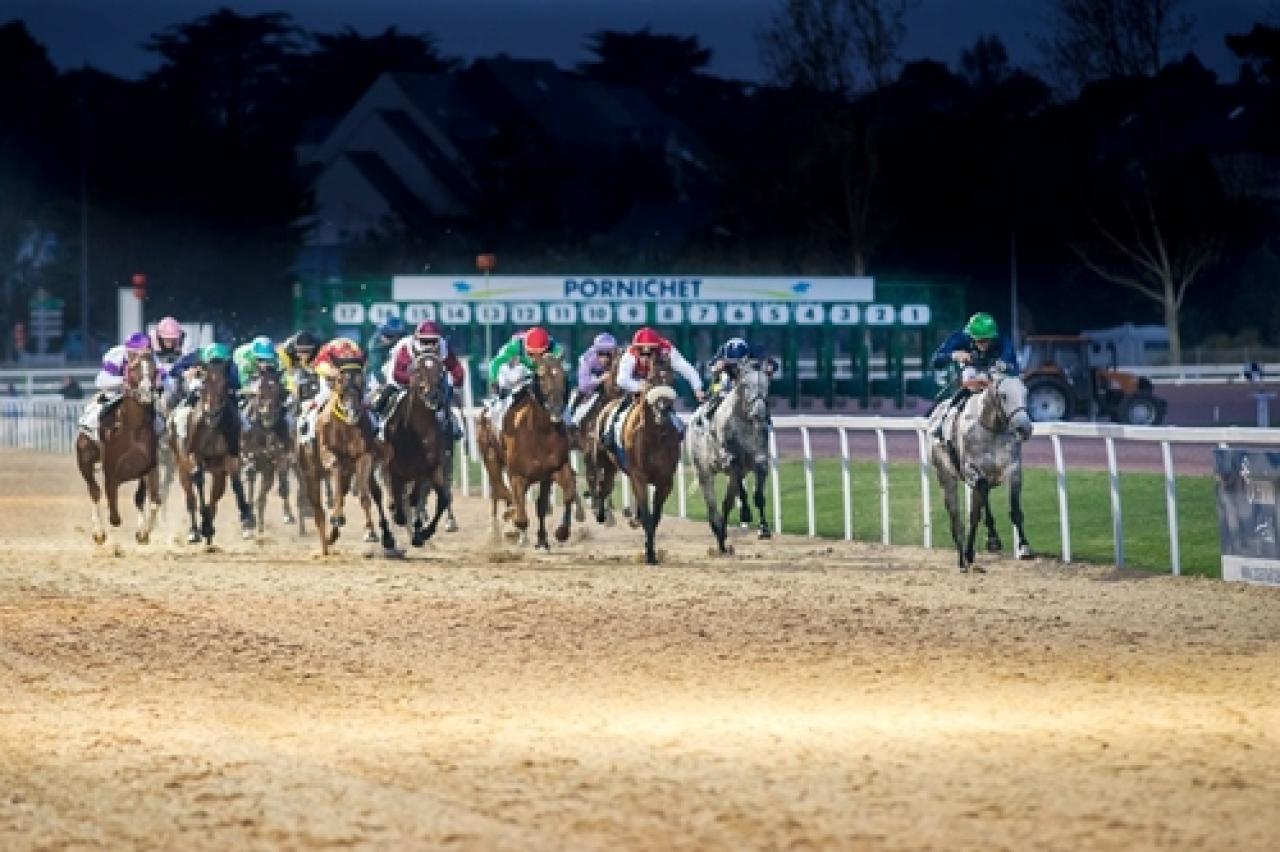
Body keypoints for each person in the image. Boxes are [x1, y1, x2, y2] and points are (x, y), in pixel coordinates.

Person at [601, 327, 705, 467]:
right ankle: (609, 433)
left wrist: (697, 388)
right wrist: (640, 386)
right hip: (636, 384)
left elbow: (686, 369)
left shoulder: (667, 350)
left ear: (657, 350)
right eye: (642, 353)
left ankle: (677, 436)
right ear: (636, 350)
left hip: (658, 385)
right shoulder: (629, 354)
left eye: (650, 353)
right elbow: (622, 379)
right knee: (621, 406)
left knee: (669, 414)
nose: (645, 357)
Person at [929, 311, 1019, 443]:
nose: (983, 343)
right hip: (970, 372)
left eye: (987, 340)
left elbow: (1014, 368)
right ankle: (943, 419)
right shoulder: (959, 337)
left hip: (995, 373)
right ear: (970, 336)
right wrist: (954, 355)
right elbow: (935, 361)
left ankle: (1017, 423)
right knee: (970, 378)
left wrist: (1003, 366)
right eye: (980, 340)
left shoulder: (1002, 340)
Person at [375, 319, 465, 437]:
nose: (429, 345)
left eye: (433, 341)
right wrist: (415, 381)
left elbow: (457, 370)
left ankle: (451, 422)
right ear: (417, 339)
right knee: (389, 393)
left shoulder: (443, 347)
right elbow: (397, 374)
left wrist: (455, 386)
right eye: (425, 341)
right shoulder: (405, 347)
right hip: (403, 376)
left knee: (446, 391)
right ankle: (380, 422)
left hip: (431, 379)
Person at [486, 327, 564, 429]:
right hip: (519, 370)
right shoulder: (515, 345)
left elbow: (559, 359)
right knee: (515, 373)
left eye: (540, 354)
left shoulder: (555, 348)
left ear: (547, 347)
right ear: (525, 347)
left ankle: (568, 420)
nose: (535, 357)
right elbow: (495, 363)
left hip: (542, 370)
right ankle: (495, 414)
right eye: (531, 354)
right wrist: (494, 382)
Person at [565, 332, 619, 427]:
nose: (605, 358)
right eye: (601, 353)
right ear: (595, 351)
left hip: (612, 389)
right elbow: (584, 386)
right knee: (576, 397)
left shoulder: (619, 357)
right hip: (591, 388)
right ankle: (571, 422)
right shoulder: (586, 359)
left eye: (608, 354)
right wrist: (600, 379)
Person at [366, 316, 407, 390]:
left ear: (398, 337)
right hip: (378, 376)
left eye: (388, 336)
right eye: (383, 334)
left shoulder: (405, 341)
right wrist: (386, 385)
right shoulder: (375, 345)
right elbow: (377, 370)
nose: (383, 338)